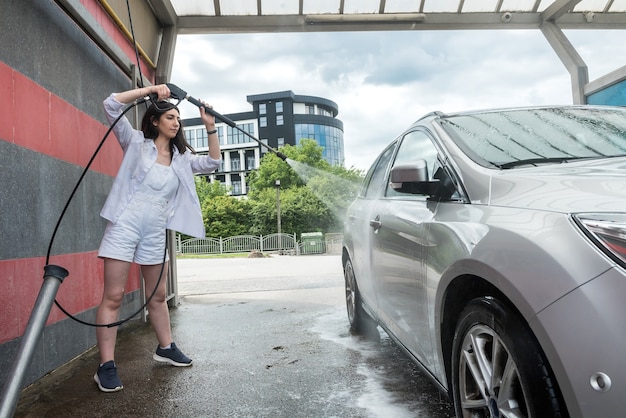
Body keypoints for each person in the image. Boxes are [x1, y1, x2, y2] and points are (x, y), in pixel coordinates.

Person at [93, 84, 221, 392]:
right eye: (170, 117)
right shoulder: (135, 143)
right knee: (113, 296)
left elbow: (213, 163)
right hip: (124, 225)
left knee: (158, 296)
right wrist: (150, 90)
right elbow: (110, 102)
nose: (176, 122)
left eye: (178, 117)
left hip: (154, 230)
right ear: (154, 121)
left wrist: (211, 128)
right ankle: (105, 366)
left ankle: (165, 348)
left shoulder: (181, 159)